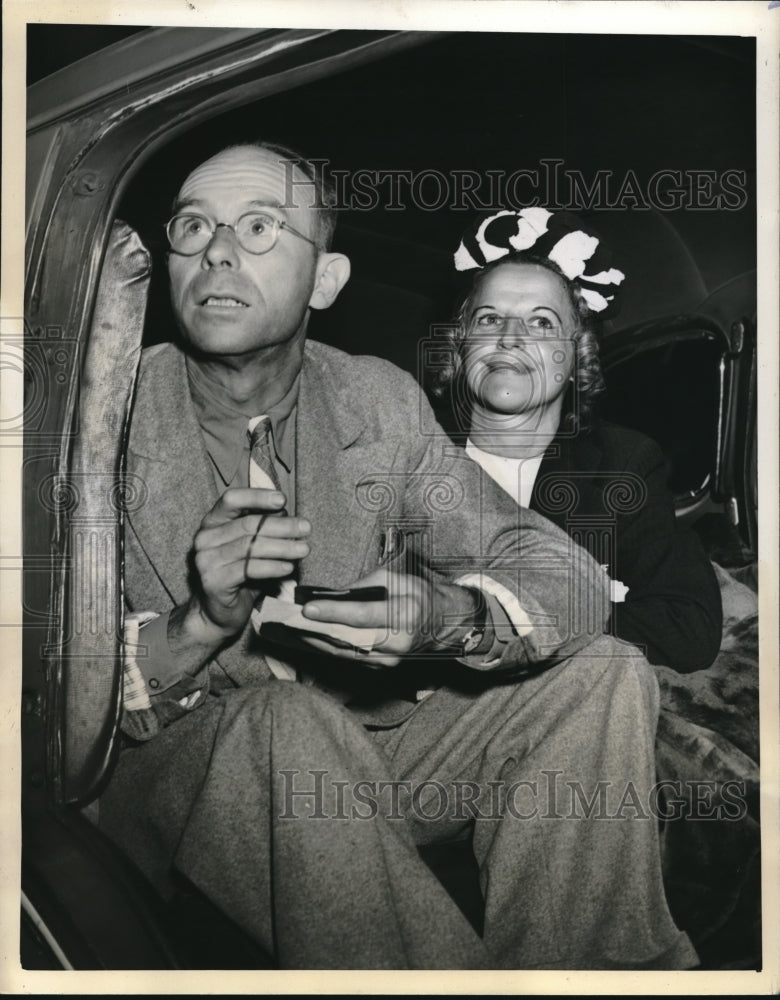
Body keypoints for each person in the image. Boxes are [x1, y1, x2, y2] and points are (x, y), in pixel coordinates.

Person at [98, 144, 697, 970]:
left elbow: (556, 568)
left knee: (605, 670)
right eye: (193, 225)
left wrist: (451, 616)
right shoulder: (98, 419)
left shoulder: (375, 398)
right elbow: (37, 710)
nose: (218, 251)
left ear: (326, 282)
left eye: (261, 227)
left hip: (370, 754)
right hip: (178, 775)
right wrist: (197, 624)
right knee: (284, 720)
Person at [436, 207, 722, 673]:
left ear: (576, 355)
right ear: (462, 344)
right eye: (489, 319)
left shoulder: (621, 466)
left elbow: (686, 628)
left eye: (542, 323)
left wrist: (521, 617)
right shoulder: (410, 446)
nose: (510, 339)